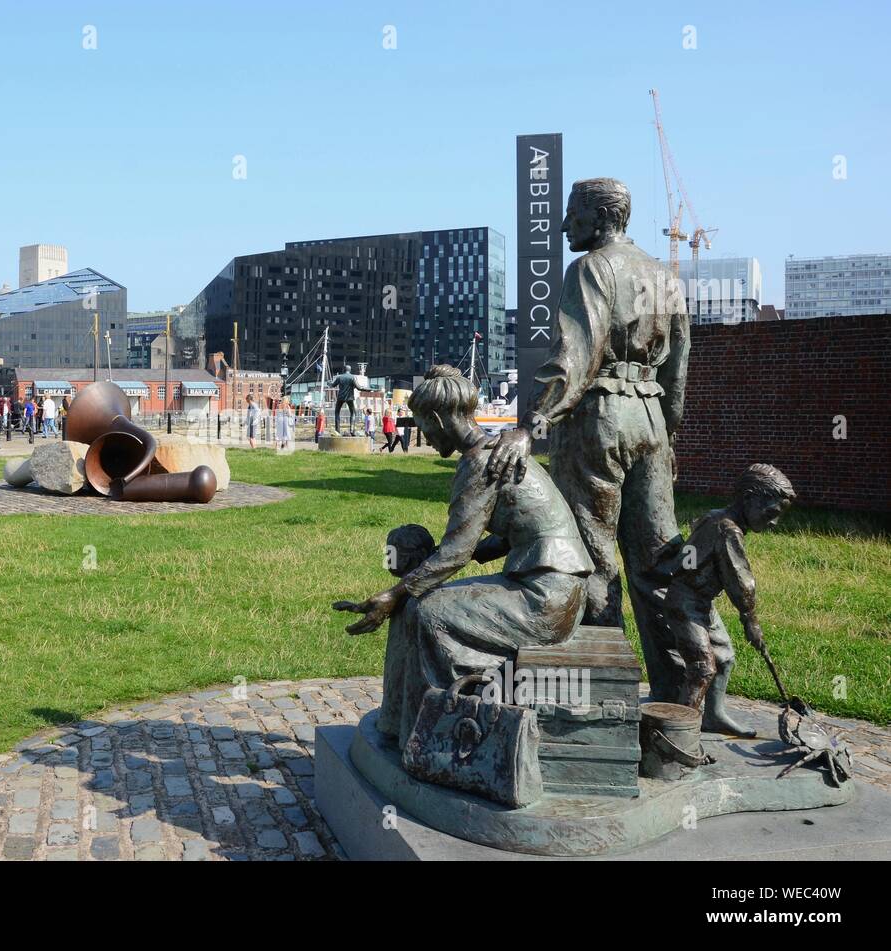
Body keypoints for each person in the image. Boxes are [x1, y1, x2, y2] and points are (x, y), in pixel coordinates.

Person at [484, 177, 691, 703]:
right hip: (650, 421)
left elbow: (574, 356)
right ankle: (678, 697)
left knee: (592, 554)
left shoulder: (590, 269)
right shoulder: (665, 277)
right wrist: (666, 440)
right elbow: (679, 371)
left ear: (599, 218)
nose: (561, 225)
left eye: (571, 215)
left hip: (600, 417)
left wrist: (531, 425)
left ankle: (603, 696)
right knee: (660, 561)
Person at [334, 365, 593, 747]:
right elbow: (507, 535)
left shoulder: (479, 461)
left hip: (547, 598)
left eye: (423, 425)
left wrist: (394, 594)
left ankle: (440, 734)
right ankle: (399, 724)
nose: (422, 433)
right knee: (415, 605)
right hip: (548, 583)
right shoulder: (493, 451)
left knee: (427, 613)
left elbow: (457, 551)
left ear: (437, 418)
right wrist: (426, 575)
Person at [646, 464, 795, 736]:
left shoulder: (715, 517)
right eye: (771, 513)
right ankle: (679, 734)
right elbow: (740, 580)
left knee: (724, 657)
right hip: (685, 604)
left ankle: (713, 716)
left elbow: (691, 556)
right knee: (703, 668)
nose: (774, 522)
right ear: (749, 498)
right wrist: (750, 620)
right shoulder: (727, 531)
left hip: (701, 603)